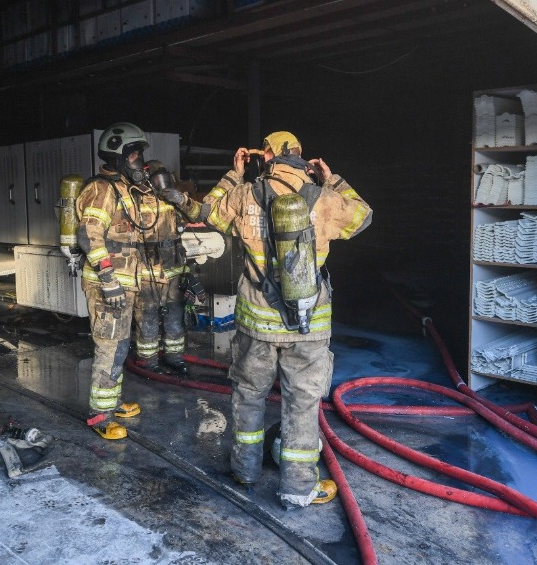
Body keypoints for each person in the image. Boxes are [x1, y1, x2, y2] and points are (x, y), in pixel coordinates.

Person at [166, 130, 372, 508]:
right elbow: (362, 217)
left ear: (266, 156)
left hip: (255, 324)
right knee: (302, 404)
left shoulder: (245, 195)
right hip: (307, 325)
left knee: (248, 395)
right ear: (299, 156)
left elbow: (203, 212)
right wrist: (333, 178)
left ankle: (244, 471)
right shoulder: (324, 200)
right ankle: (297, 489)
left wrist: (234, 174)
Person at [75, 122, 157, 440]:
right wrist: (108, 279)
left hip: (124, 285)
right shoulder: (100, 189)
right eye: (134, 154)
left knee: (120, 345)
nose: (139, 161)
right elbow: (89, 235)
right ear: (118, 155)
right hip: (106, 285)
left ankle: (113, 402)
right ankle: (100, 415)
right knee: (109, 347)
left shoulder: (125, 189)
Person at [131, 160, 204, 376]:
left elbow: (196, 215)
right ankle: (148, 360)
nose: (161, 184)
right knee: (148, 316)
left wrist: (182, 200)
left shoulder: (173, 199)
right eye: (156, 178)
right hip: (148, 270)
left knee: (175, 315)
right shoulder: (135, 200)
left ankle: (174, 357)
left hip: (174, 269)